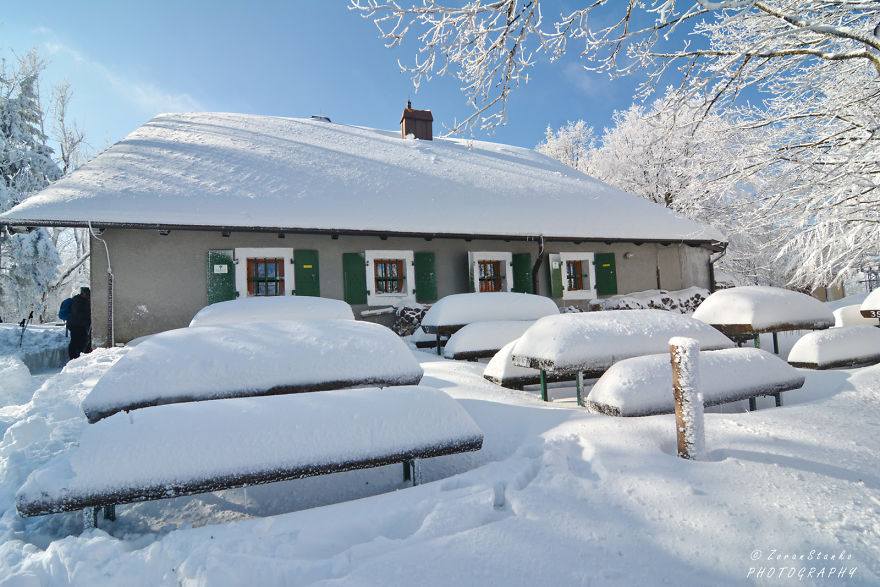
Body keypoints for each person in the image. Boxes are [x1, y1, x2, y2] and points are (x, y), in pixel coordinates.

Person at [67, 286, 92, 360]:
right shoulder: (78, 301)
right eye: (87, 294)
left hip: (79, 325)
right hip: (76, 325)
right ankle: (74, 357)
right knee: (76, 341)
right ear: (82, 294)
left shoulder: (82, 300)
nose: (88, 296)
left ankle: (77, 356)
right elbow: (78, 314)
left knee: (80, 340)